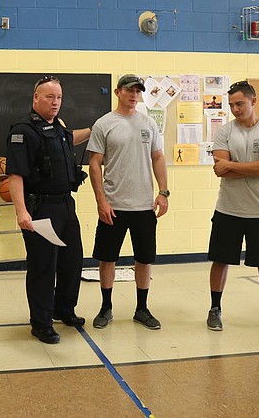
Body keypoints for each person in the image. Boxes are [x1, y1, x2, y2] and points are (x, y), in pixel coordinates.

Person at [6, 75, 91, 344]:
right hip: (40, 207)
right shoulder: (24, 131)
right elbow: (16, 176)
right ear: (36, 98)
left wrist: (97, 128)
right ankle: (41, 322)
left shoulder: (59, 128)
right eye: (49, 97)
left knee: (72, 261)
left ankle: (63, 309)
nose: (55, 103)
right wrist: (21, 211)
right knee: (43, 266)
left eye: (59, 98)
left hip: (66, 205)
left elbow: (70, 138)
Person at [87, 74, 169, 330]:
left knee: (144, 259)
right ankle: (106, 307)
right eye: (129, 90)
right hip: (114, 205)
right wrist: (101, 201)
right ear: (117, 92)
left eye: (138, 91)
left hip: (144, 205)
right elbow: (94, 163)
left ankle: (142, 308)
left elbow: (158, 158)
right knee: (107, 258)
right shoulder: (104, 124)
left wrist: (163, 192)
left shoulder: (148, 124)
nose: (134, 95)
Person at [207, 80, 259, 336]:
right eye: (231, 105)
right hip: (228, 210)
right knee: (221, 261)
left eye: (239, 104)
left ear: (253, 101)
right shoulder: (224, 132)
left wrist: (235, 166)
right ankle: (215, 309)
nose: (235, 109)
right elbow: (222, 171)